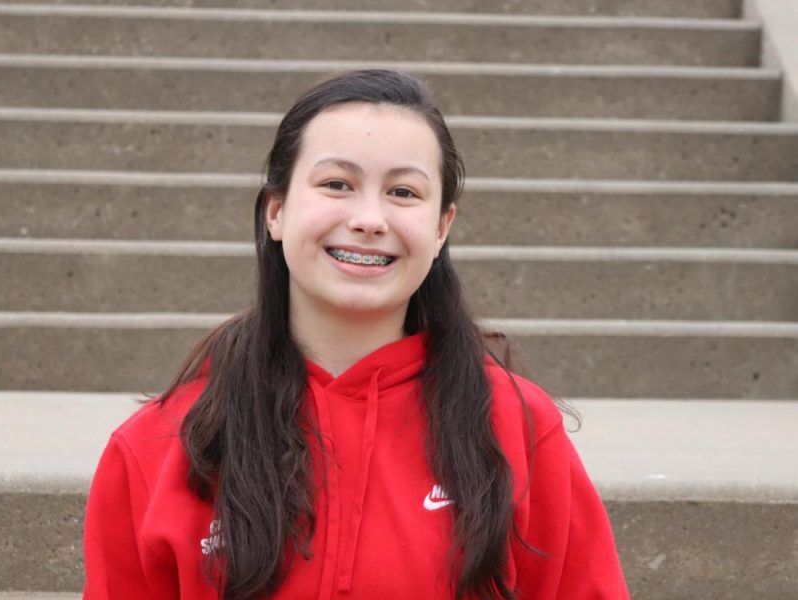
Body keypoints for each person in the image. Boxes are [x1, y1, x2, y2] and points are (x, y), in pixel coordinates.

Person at [83, 69, 630, 600]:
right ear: (276, 211)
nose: (370, 218)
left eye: (404, 193)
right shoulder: (158, 445)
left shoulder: (519, 430)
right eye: (337, 184)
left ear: (441, 229)